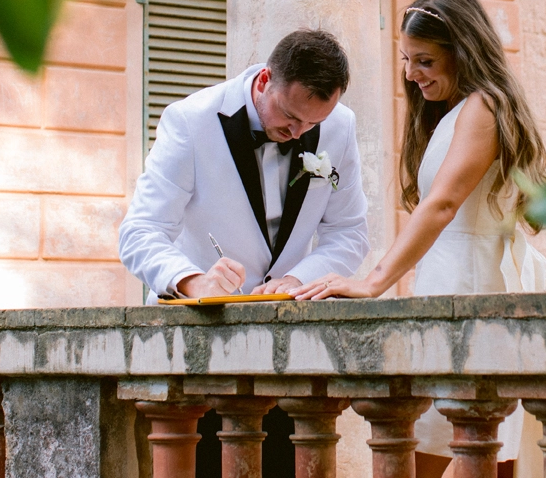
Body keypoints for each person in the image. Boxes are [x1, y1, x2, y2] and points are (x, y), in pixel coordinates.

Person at [293, 0, 546, 478]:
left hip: (473, 287)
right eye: (407, 59)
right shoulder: (457, 112)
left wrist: (375, 282)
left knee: (471, 447)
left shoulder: (483, 107)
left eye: (425, 60)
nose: (412, 74)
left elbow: (443, 204)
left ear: (464, 51)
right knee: (444, 447)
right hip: (449, 279)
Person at [119, 27, 369, 478]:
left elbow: (349, 231)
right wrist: (194, 281)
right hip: (202, 357)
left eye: (312, 125)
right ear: (263, 81)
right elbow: (140, 232)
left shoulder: (340, 126)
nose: (298, 135)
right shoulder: (190, 120)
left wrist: (301, 278)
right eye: (291, 117)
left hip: (292, 357)